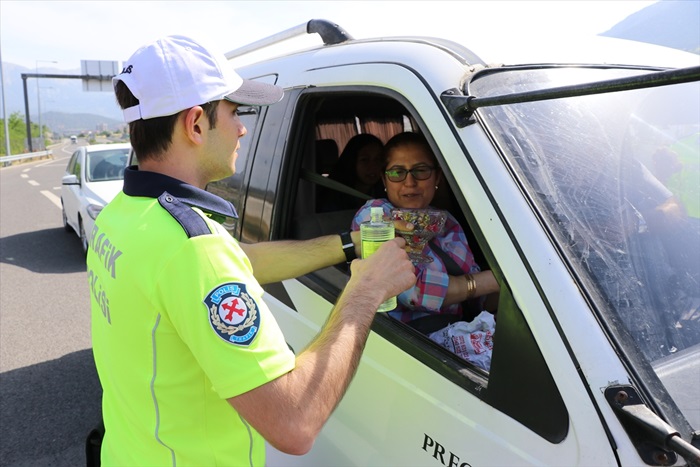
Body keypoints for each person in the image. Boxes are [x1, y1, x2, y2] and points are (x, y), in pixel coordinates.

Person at [87, 35, 416, 466]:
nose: (243, 127)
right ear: (195, 125)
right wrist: (367, 291)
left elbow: (239, 261)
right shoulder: (192, 249)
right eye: (234, 111)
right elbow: (294, 422)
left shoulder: (125, 215)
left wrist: (348, 245)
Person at [351, 132, 499, 328]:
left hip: (460, 335)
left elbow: (477, 300)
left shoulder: (448, 223)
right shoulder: (375, 216)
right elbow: (415, 293)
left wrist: (516, 289)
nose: (410, 182)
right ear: (384, 179)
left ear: (437, 176)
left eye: (421, 171)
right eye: (397, 172)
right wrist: (499, 279)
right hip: (411, 343)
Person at [319, 133, 385, 212]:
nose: (373, 166)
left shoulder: (385, 194)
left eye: (378, 159)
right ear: (352, 162)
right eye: (365, 160)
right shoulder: (333, 198)